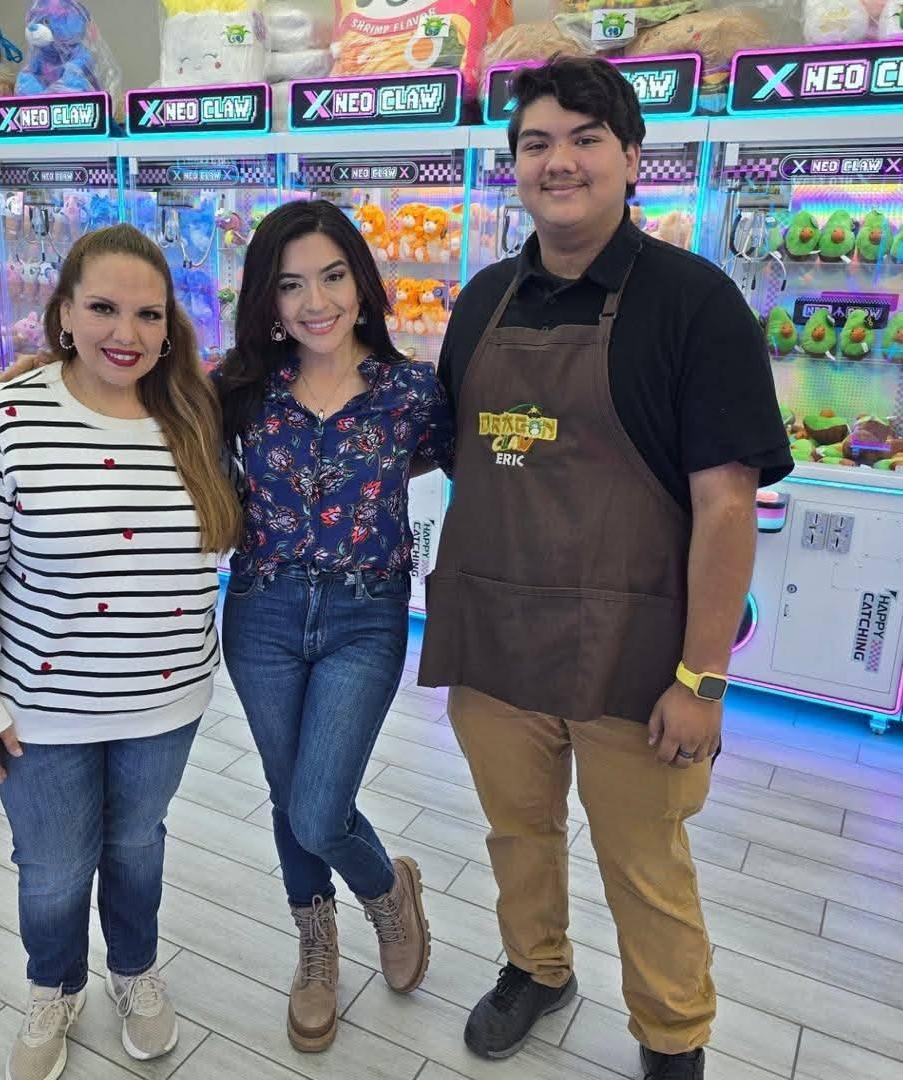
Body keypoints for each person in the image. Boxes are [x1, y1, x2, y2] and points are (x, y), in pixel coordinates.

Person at [418, 58, 793, 1080]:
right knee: (516, 833)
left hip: (637, 656)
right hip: (497, 641)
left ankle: (672, 1037)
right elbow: (461, 454)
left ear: (632, 158)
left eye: (585, 139)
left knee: (645, 862)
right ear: (513, 166)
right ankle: (536, 969)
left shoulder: (695, 303)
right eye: (537, 143)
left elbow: (727, 507)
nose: (560, 161)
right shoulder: (483, 300)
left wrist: (702, 680)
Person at [0, 224, 241, 1080]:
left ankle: (134, 971)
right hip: (43, 711)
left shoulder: (194, 415)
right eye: (102, 308)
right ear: (62, 313)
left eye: (148, 314)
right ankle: (53, 986)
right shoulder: (8, 419)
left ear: (170, 325)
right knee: (55, 870)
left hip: (165, 702)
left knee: (137, 848)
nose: (125, 333)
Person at [215, 199, 453, 1051]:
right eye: (290, 285)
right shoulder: (238, 388)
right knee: (289, 794)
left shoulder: (412, 390)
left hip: (365, 615)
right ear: (267, 299)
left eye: (332, 277)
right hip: (261, 612)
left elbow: (458, 463)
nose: (314, 302)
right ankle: (315, 944)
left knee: (318, 809)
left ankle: (387, 892)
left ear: (362, 282)